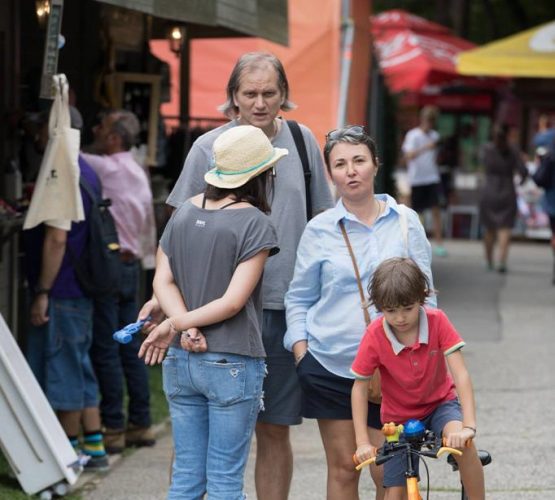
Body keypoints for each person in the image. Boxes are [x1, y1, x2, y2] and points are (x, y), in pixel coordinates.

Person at [139, 51, 333, 499]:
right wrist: (167, 301)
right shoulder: (208, 147)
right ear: (233, 97)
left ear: (284, 95)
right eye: (250, 93)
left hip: (283, 305)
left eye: (269, 93)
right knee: (195, 436)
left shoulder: (302, 140)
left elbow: (321, 221)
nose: (260, 103)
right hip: (210, 310)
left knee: (274, 427)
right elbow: (181, 227)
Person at [284, 126, 436, 499]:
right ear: (330, 173)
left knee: (390, 474)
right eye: (340, 164)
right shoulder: (319, 229)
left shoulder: (405, 221)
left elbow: (427, 297)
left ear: (375, 165)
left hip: (394, 370)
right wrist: (302, 353)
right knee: (344, 467)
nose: (350, 171)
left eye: (358, 161)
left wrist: (425, 356)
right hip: (333, 364)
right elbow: (299, 297)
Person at [138, 125, 283, 499]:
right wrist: (179, 324)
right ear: (262, 174)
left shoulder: (185, 211)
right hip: (232, 360)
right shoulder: (255, 222)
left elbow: (162, 281)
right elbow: (232, 302)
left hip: (181, 359)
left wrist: (181, 326)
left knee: (186, 478)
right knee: (224, 481)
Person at [351, 257, 485, 500]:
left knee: (463, 446)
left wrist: (468, 426)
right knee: (394, 491)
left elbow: (461, 374)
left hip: (439, 404)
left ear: (421, 298)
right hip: (398, 419)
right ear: (379, 307)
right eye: (390, 311)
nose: (400, 318)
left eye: (408, 308)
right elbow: (359, 388)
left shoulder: (437, 320)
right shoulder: (374, 334)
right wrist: (362, 442)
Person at [24, 108, 109, 471]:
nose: (38, 136)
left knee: (65, 372)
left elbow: (57, 239)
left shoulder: (64, 173)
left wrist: (42, 291)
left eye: (42, 129)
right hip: (82, 288)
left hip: (62, 290)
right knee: (80, 366)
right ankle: (95, 447)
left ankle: (69, 457)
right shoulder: (87, 168)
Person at [81, 109, 156, 453]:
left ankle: (112, 427)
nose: (95, 130)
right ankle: (141, 423)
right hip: (133, 266)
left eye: (101, 127)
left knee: (107, 348)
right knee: (131, 347)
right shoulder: (137, 170)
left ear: (113, 138)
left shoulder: (106, 167)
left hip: (110, 265)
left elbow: (67, 151)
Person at [478, 124, 528, 273]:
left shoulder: (486, 149)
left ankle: (489, 260)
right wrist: (519, 183)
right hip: (507, 190)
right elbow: (524, 172)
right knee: (505, 228)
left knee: (489, 228)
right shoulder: (514, 150)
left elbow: (480, 163)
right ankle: (502, 261)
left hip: (489, 190)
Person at [402, 105, 447, 257]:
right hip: (417, 179)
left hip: (432, 177)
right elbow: (408, 156)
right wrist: (426, 148)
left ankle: (439, 244)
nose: (430, 124)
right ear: (422, 119)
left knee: (436, 210)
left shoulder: (435, 136)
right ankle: (416, 243)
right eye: (428, 120)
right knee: (417, 213)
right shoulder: (413, 135)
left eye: (432, 121)